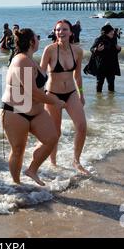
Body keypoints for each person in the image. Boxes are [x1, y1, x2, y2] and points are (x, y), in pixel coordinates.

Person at [1, 28, 64, 186]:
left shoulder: (31, 59)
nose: (39, 39)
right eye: (37, 37)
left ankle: (32, 170)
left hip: (36, 112)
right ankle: (16, 185)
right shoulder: (21, 60)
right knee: (18, 150)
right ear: (31, 41)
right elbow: (33, 93)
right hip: (15, 112)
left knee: (52, 138)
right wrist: (55, 101)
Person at [40, 20, 90, 176]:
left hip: (71, 93)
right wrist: (40, 97)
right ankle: (53, 163)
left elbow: (77, 75)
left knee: (81, 126)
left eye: (64, 29)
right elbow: (41, 74)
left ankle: (76, 160)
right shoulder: (49, 50)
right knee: (56, 132)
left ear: (71, 32)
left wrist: (81, 93)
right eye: (58, 30)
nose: (60, 32)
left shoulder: (78, 51)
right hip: (52, 95)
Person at [90, 25, 122, 93]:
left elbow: (114, 51)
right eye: (111, 32)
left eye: (113, 32)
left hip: (111, 65)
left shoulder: (113, 39)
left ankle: (111, 100)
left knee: (111, 84)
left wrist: (119, 49)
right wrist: (96, 49)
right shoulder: (99, 39)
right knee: (99, 83)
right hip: (101, 66)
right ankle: (98, 99)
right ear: (107, 32)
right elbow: (91, 49)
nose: (113, 33)